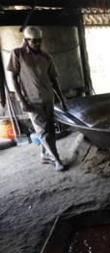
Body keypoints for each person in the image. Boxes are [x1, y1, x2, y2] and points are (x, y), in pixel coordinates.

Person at [7, 26, 67, 171]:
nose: (37, 44)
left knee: (50, 129)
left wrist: (62, 98)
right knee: (43, 131)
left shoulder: (46, 57)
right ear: (26, 40)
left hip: (48, 98)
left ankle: (45, 154)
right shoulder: (17, 54)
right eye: (33, 41)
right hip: (32, 101)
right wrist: (22, 101)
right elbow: (14, 78)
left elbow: (54, 80)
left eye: (39, 41)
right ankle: (57, 159)